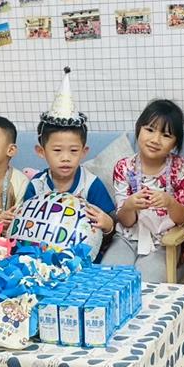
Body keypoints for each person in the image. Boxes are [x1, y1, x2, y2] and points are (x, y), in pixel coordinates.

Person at [101, 99, 184, 282]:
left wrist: (170, 203)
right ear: (139, 129)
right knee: (107, 280)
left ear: (175, 142)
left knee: (145, 286)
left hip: (164, 244)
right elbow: (126, 222)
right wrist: (129, 206)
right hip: (126, 239)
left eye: (166, 135)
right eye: (149, 130)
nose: (155, 140)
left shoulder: (181, 167)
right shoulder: (124, 167)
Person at [23, 68, 115, 248]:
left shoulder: (91, 184)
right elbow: (26, 223)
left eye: (73, 150)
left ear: (84, 152)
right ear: (41, 151)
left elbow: (111, 224)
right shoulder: (37, 185)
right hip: (40, 254)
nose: (65, 158)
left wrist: (108, 225)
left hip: (82, 253)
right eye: (57, 150)